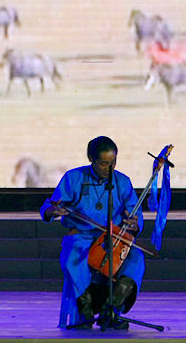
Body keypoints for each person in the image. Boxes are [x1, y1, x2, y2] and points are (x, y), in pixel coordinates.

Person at [41, 136, 144, 330]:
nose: (109, 168)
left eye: (113, 163)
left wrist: (133, 224)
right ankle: (85, 310)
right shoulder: (74, 178)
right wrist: (52, 211)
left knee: (136, 258)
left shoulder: (122, 182)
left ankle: (112, 309)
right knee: (74, 255)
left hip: (112, 238)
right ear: (91, 159)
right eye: (104, 164)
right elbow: (49, 205)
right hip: (82, 236)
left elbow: (135, 214)